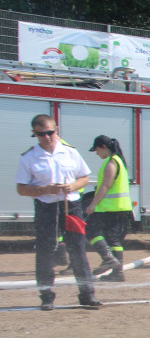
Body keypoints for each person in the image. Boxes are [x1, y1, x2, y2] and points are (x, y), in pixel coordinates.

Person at [15, 114, 101, 310]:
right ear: (34, 134)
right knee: (45, 252)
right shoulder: (29, 157)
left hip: (72, 206)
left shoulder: (70, 152)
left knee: (78, 250)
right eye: (41, 134)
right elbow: (21, 189)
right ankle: (46, 296)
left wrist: (72, 186)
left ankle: (87, 294)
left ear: (56, 130)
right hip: (46, 207)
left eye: (50, 132)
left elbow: (85, 178)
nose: (47, 137)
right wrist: (44, 189)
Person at [85, 135, 132, 281]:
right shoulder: (119, 161)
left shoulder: (111, 163)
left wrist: (92, 204)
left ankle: (107, 258)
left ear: (104, 147)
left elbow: (105, 185)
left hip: (109, 208)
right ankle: (118, 273)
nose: (97, 153)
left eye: (97, 150)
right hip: (120, 207)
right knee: (113, 240)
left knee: (90, 230)